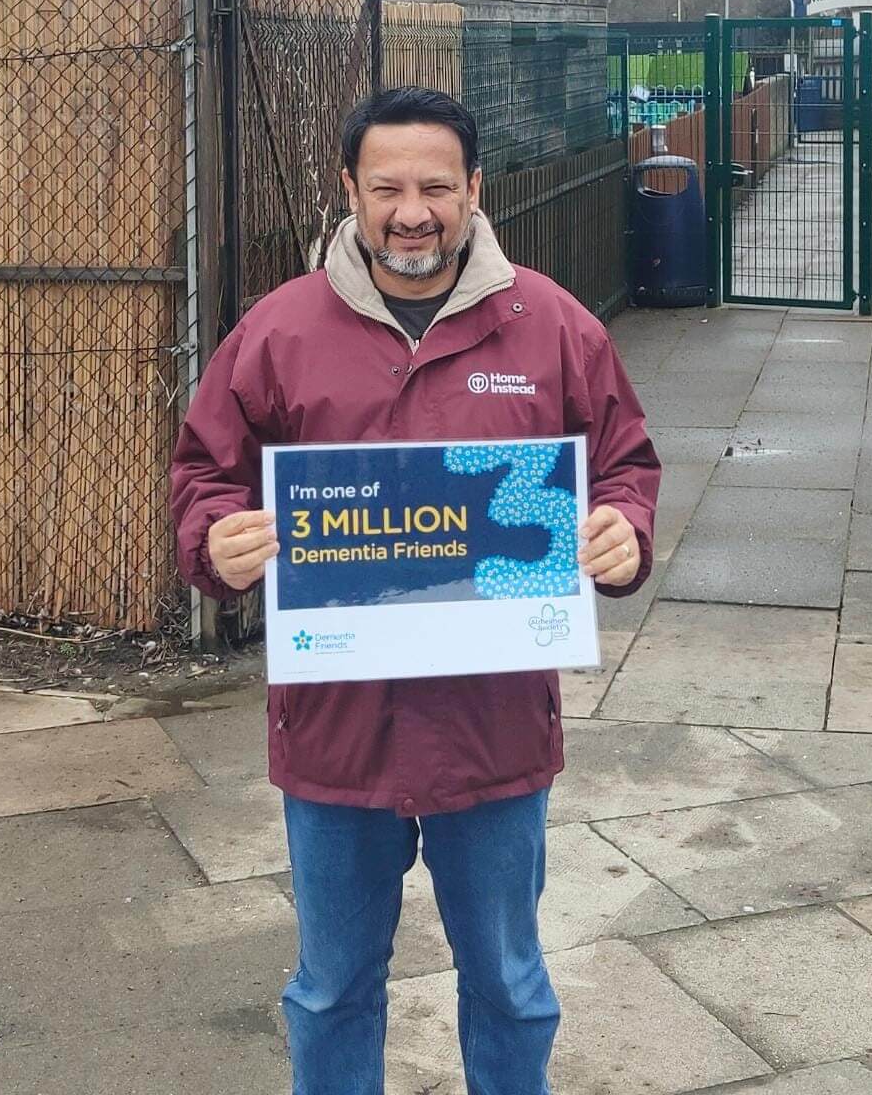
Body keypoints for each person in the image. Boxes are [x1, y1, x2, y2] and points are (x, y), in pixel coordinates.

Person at [170, 85, 661, 1095]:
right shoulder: (279, 330)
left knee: (511, 985)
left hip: (495, 729)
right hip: (336, 730)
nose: (411, 209)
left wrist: (624, 529)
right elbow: (204, 470)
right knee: (332, 988)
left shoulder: (550, 324)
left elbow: (623, 463)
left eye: (436, 185)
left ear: (473, 188)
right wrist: (212, 540)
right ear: (347, 188)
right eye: (386, 185)